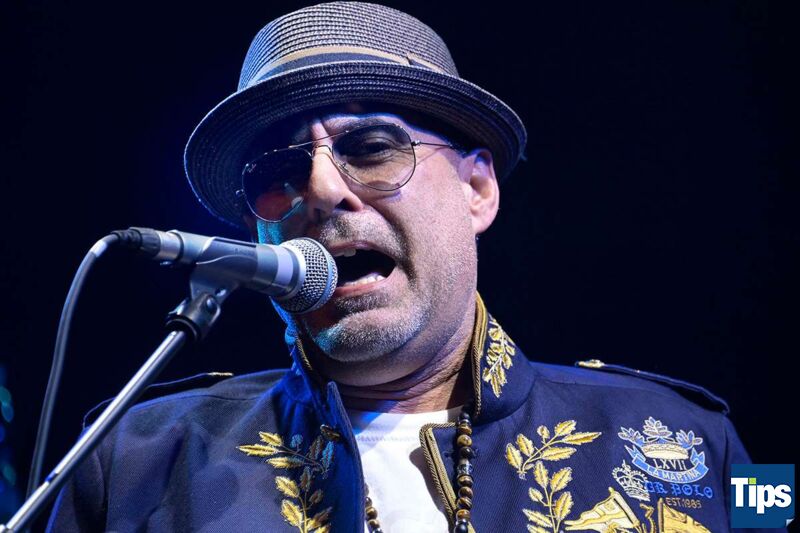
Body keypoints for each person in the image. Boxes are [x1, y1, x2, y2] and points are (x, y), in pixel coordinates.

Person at [47, 3, 777, 532]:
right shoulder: (129, 460)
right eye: (278, 171)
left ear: (477, 189)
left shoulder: (699, 438)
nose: (321, 189)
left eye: (370, 147)